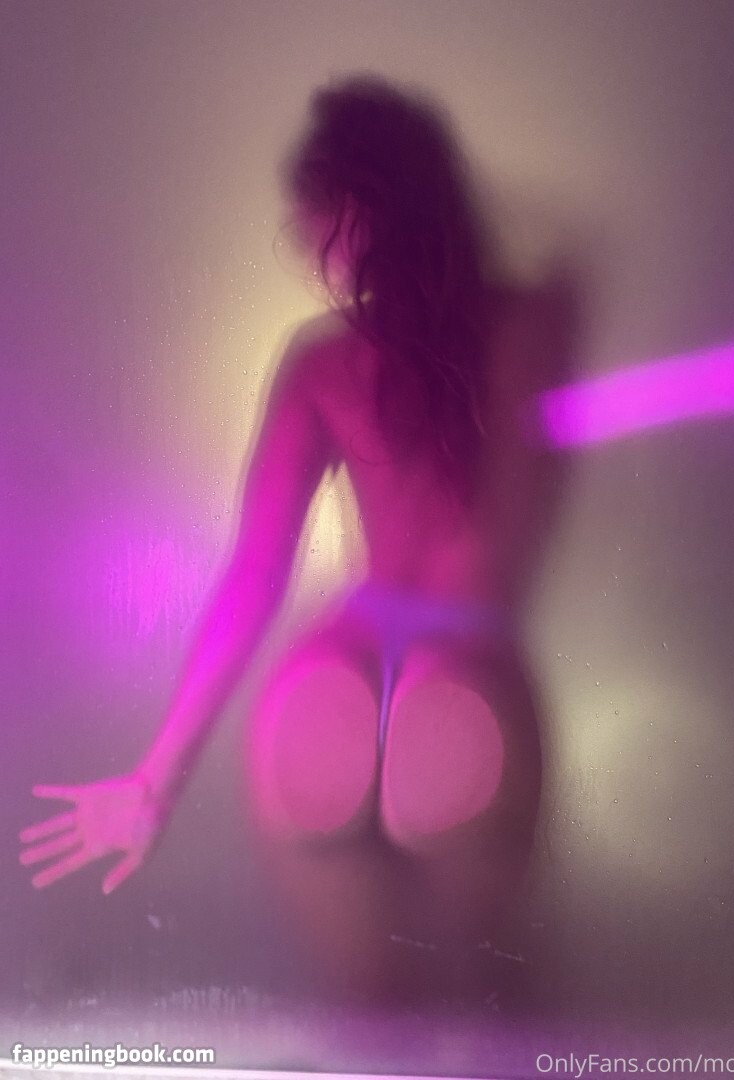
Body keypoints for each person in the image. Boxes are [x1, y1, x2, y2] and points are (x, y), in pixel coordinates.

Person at [19, 75, 566, 1009]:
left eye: (314, 211)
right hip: (464, 658)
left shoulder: (326, 364)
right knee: (482, 1005)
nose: (305, 237)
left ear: (360, 207)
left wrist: (160, 775)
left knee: (375, 1014)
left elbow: (255, 574)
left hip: (339, 662)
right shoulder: (530, 327)